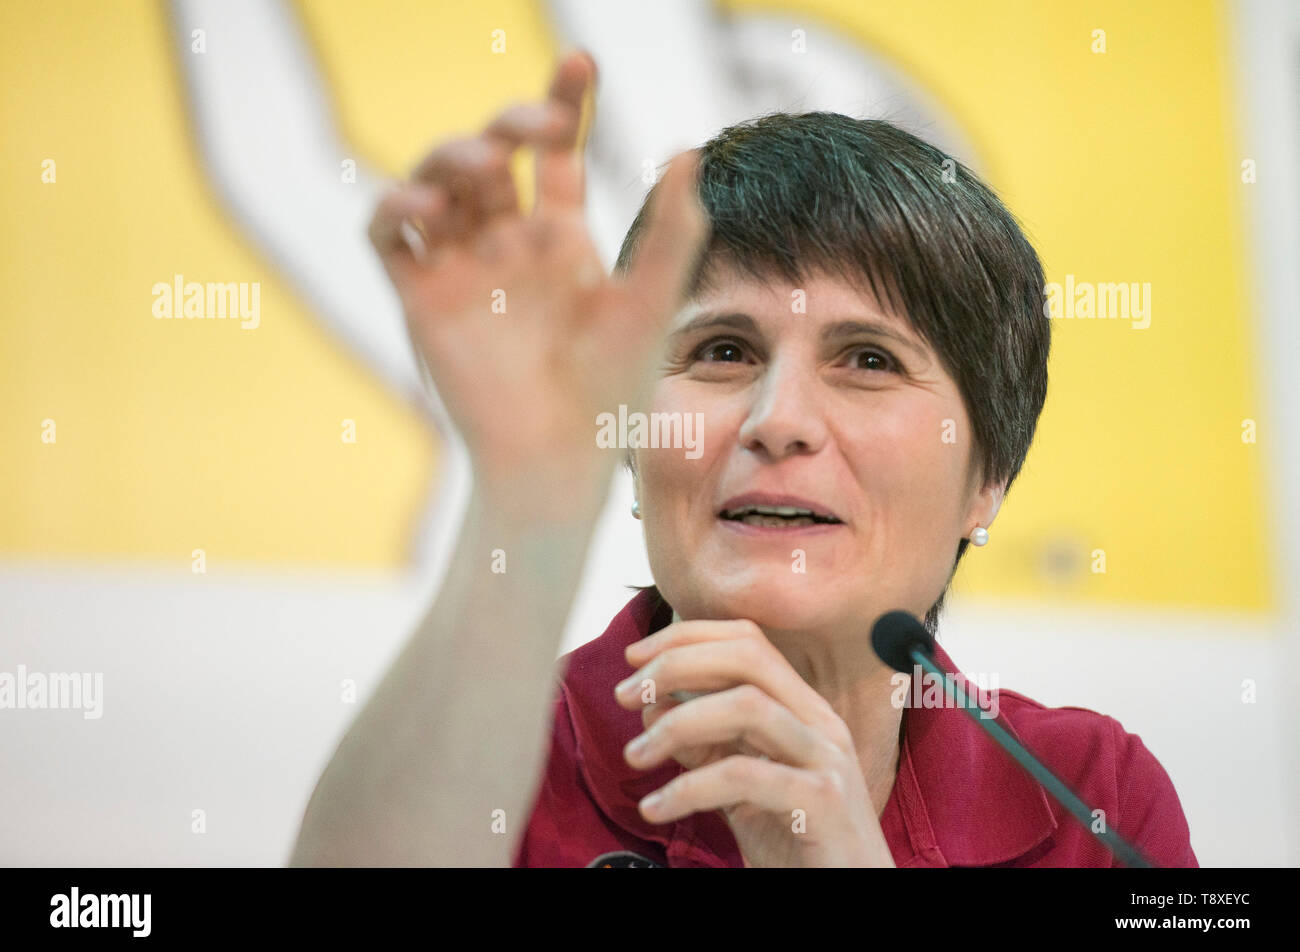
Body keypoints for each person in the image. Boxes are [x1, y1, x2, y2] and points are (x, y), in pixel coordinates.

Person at [289, 50, 1197, 868]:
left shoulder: (1094, 802)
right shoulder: (486, 755)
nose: (778, 419)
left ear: (987, 480)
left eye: (869, 360)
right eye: (723, 350)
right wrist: (529, 486)